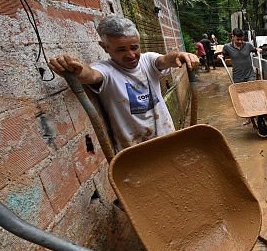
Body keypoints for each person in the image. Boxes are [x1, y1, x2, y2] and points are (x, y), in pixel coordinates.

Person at [48, 15, 199, 151]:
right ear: (105, 47)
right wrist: (77, 71)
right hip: (134, 151)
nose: (131, 55)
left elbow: (166, 59)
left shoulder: (148, 60)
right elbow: (91, 75)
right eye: (121, 50)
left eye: (134, 47)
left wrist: (180, 55)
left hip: (168, 137)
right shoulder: (106, 70)